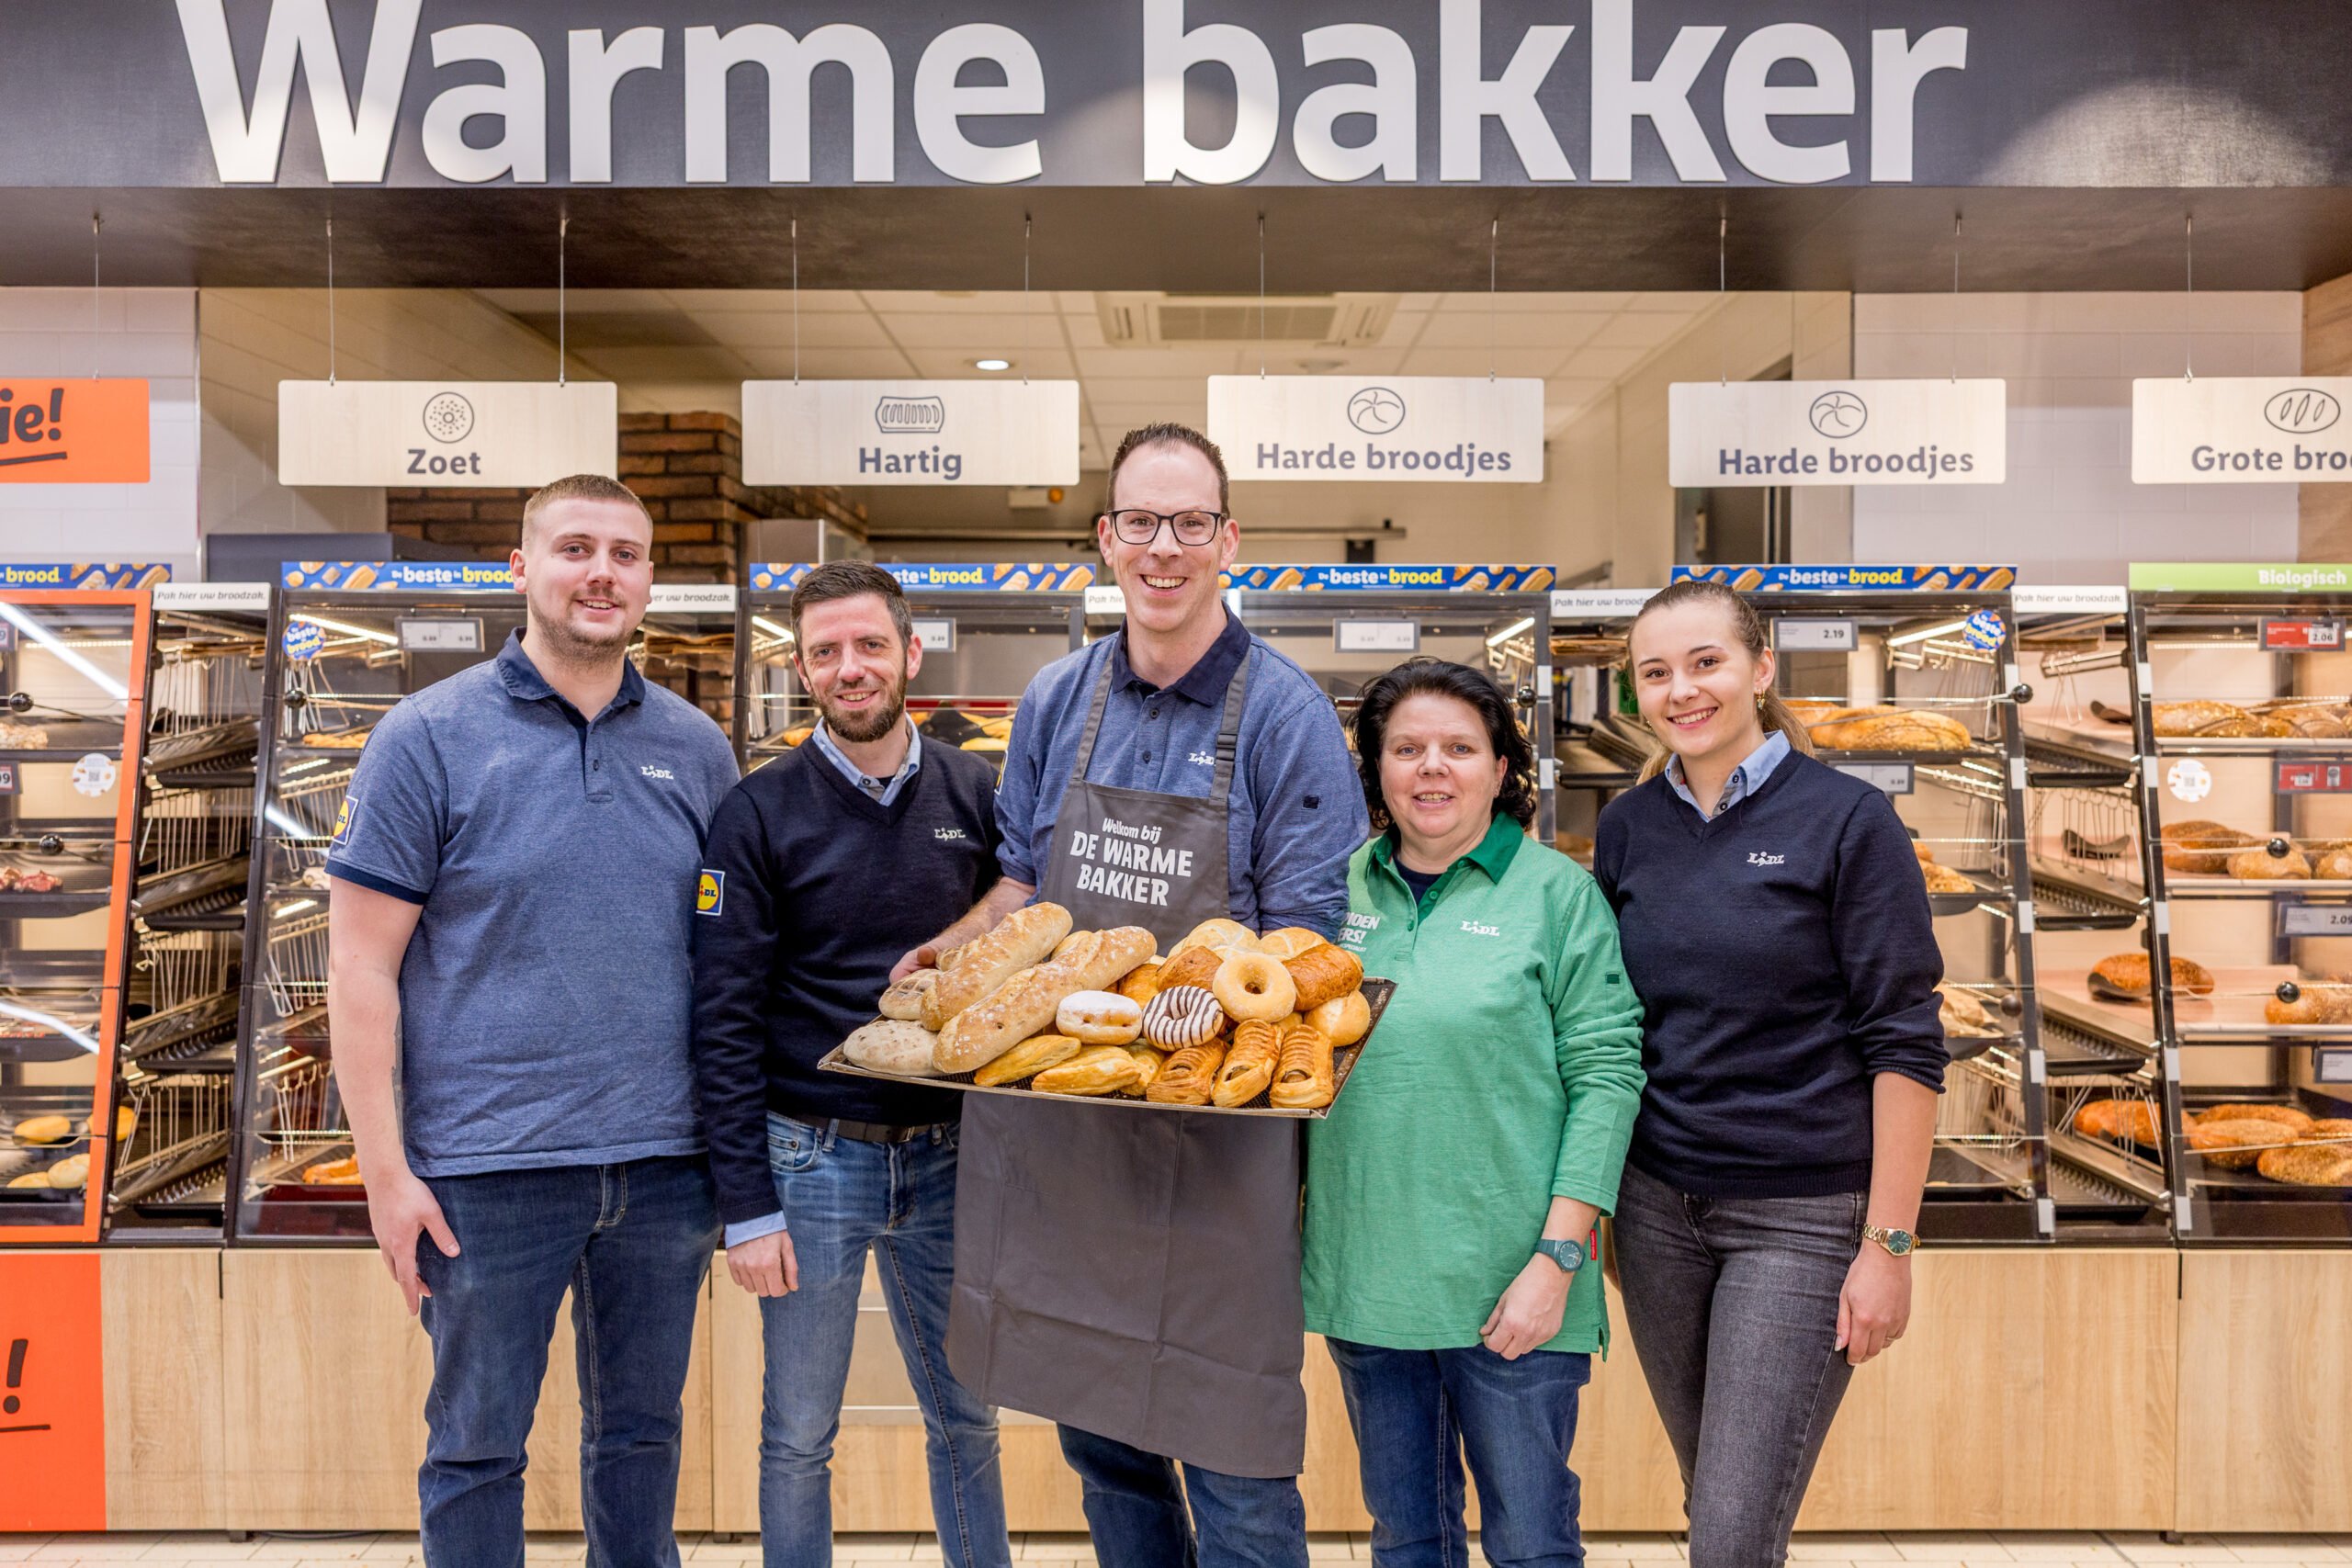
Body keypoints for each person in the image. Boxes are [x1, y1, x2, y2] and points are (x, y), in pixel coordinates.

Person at [899, 423, 1368, 1568]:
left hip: (1216, 1143)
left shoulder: (1287, 715)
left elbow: (1303, 943)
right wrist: (947, 956)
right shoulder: (1056, 699)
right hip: (1069, 1133)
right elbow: (1021, 886)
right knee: (1102, 1439)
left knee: (1232, 1447)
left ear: (1228, 541)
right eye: (1143, 523)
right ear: (1106, 540)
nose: (1166, 547)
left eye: (1190, 523)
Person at [325, 472, 740, 1567]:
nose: (601, 573)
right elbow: (359, 968)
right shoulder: (426, 737)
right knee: (475, 1449)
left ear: (648, 581)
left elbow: (726, 957)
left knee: (642, 1437)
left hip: (665, 1167)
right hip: (487, 1171)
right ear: (522, 568)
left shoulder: (698, 747)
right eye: (574, 549)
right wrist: (385, 1174)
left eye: (625, 554)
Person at [1591, 577, 1944, 1568]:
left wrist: (1889, 1245)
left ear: (1760, 670)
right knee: (1720, 1503)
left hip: (1801, 1216)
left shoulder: (1849, 821)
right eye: (1655, 672)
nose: (1681, 690)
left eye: (1706, 662)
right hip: (1656, 1212)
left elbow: (1905, 1040)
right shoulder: (1628, 826)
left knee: (1731, 1531)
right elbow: (1613, 1022)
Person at [690, 561, 1012, 1568]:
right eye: (824, 652)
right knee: (798, 1435)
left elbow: (1014, 959)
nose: (850, 668)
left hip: (952, 1158)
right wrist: (746, 1206)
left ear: (911, 653)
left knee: (969, 1417)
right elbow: (723, 1017)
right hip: (809, 1158)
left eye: (870, 645)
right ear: (802, 671)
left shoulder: (975, 790)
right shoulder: (756, 811)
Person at [1306, 659, 1645, 1568]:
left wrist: (1558, 1258)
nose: (1431, 768)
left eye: (1458, 748)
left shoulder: (1556, 895)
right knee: (1408, 1540)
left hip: (1514, 1282)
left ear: (1500, 769)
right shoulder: (1332, 891)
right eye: (1406, 748)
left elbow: (1608, 1076)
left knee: (1531, 1545)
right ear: (1376, 768)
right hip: (1368, 1281)